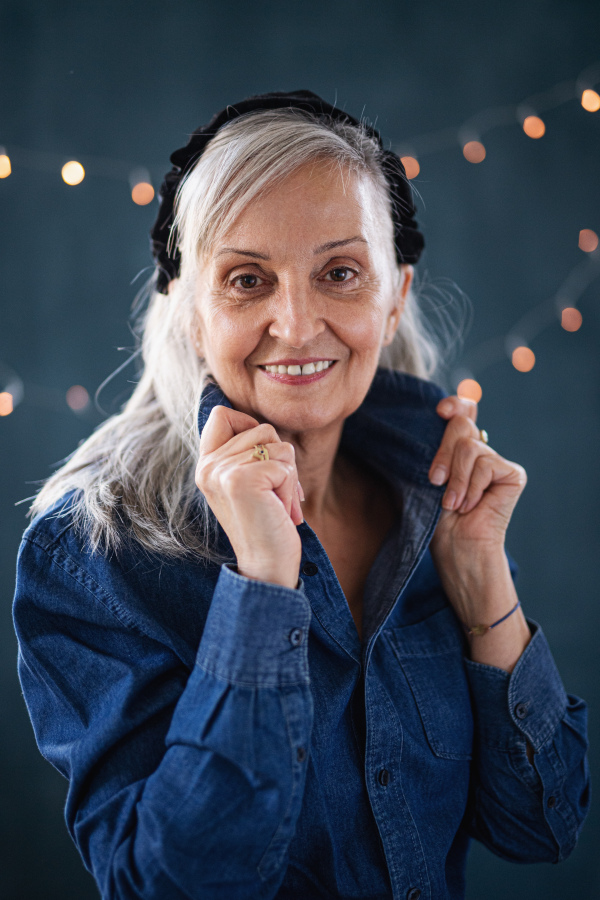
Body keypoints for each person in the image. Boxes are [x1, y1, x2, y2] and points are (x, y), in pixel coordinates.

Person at [13, 91, 590, 900]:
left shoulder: (434, 499)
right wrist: (261, 590)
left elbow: (542, 826)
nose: (296, 322)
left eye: (341, 273)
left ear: (394, 297)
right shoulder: (91, 549)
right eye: (248, 279)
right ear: (190, 313)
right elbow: (167, 888)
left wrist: (480, 576)